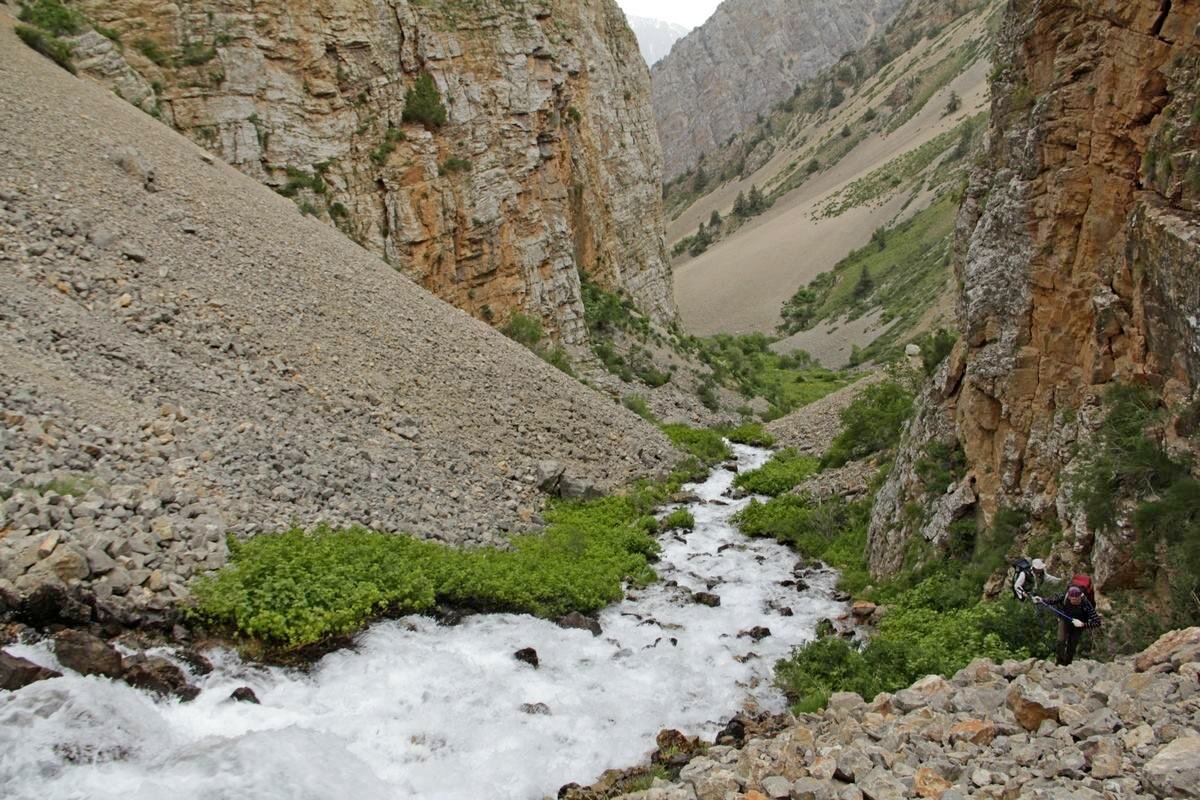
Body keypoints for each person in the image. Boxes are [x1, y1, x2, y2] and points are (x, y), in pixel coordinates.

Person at [1036, 586, 1101, 666]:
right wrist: (1041, 600)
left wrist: (1083, 624)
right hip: (1064, 620)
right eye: (1072, 599)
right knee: (1060, 641)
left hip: (1078, 625)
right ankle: (1059, 662)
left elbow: (1097, 622)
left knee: (1072, 645)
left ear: (1080, 597)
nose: (1073, 601)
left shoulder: (1086, 604)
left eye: (1076, 599)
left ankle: (1067, 663)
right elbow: (1052, 600)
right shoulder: (1064, 597)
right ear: (1069, 597)